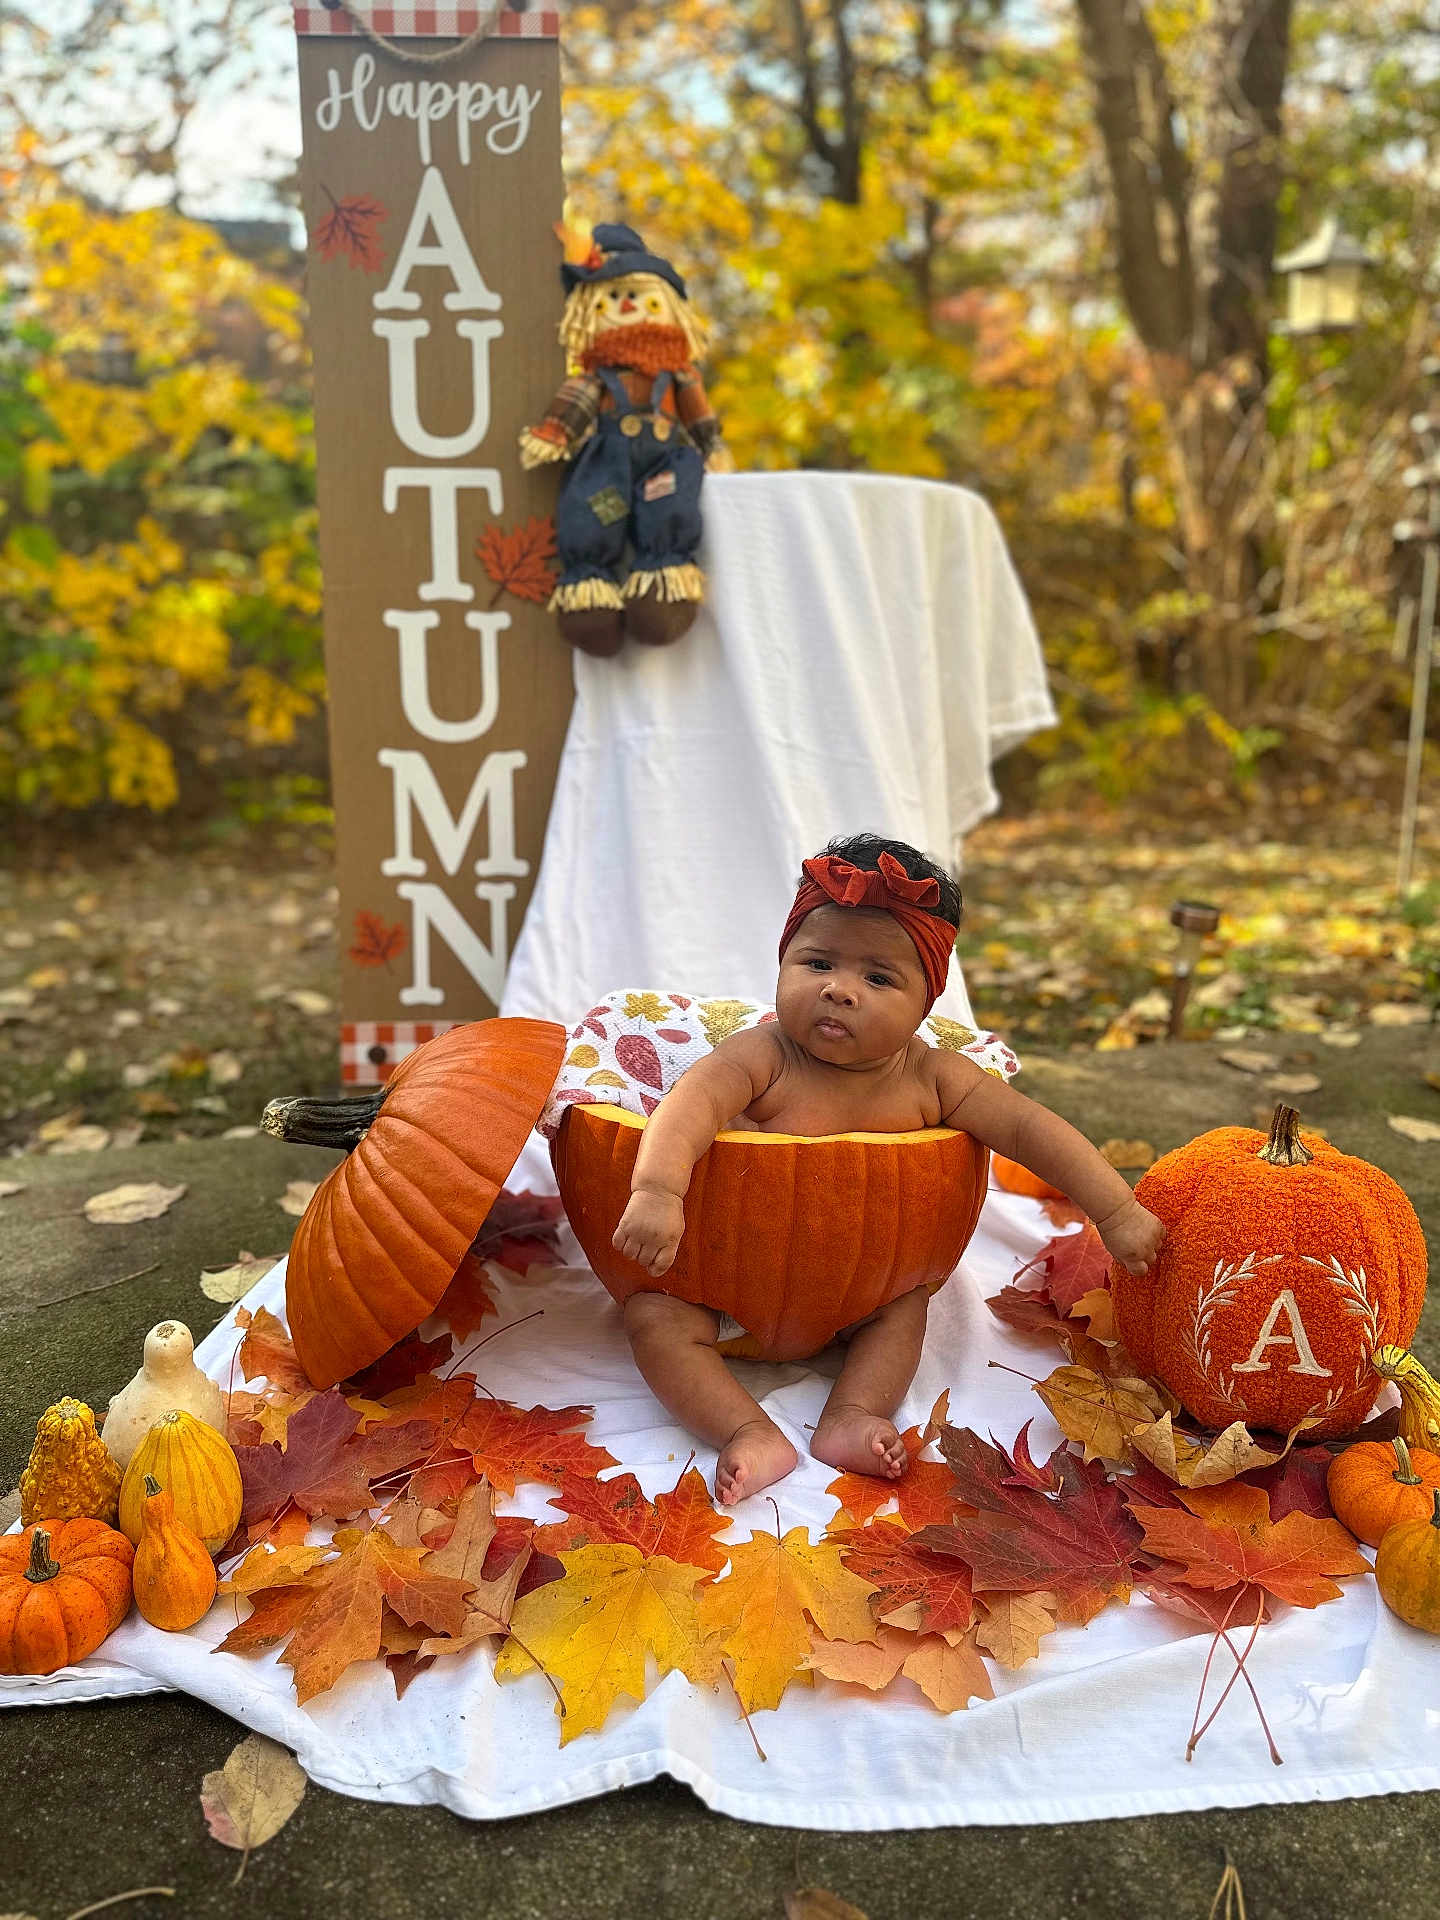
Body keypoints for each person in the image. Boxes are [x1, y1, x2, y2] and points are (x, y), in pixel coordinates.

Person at [611, 833, 1166, 1507]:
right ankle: (747, 1431)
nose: (839, 990)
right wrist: (658, 1189)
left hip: (864, 1289)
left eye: (878, 978)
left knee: (905, 1306)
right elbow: (690, 1104)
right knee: (653, 1320)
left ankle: (851, 1416)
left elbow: (1029, 1129)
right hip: (728, 1286)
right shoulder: (763, 1057)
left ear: (925, 1002)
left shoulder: (935, 1078)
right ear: (782, 963)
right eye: (817, 962)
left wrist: (1114, 1211)